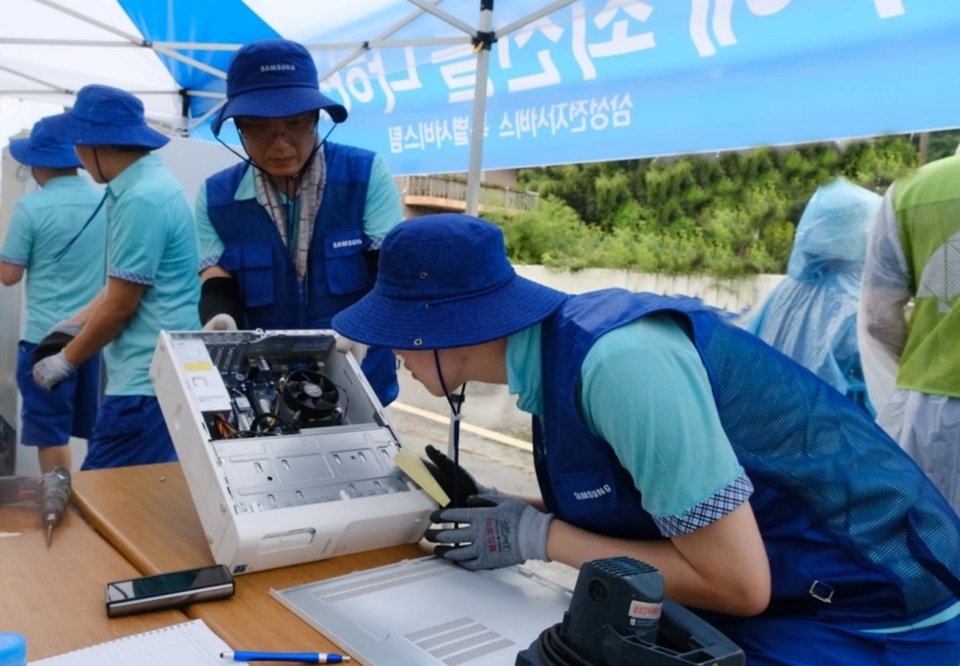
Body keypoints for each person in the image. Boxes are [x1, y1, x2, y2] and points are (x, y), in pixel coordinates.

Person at [332, 213, 960, 666]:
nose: (394, 354)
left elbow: (738, 585)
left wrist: (539, 539)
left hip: (869, 611)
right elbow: (646, 505)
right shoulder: (553, 353)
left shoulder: (619, 365)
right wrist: (516, 509)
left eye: (398, 334)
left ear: (447, 329)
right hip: (786, 586)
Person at [195, 38, 402, 407]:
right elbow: (217, 282)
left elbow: (390, 275)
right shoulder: (216, 198)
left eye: (294, 124)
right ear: (238, 128)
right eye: (258, 128)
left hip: (360, 375)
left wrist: (365, 330)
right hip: (266, 386)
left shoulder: (365, 175)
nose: (280, 144)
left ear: (317, 119)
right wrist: (219, 319)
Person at [31, 84, 201, 470]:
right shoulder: (145, 186)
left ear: (95, 144)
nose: (75, 153)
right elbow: (122, 285)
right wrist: (71, 324)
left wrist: (65, 361)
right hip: (154, 379)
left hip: (144, 385)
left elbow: (122, 306)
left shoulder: (142, 198)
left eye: (77, 142)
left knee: (102, 507)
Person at [0, 117, 106, 472]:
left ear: (38, 163)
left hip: (44, 341)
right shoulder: (104, 202)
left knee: (51, 433)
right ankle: (101, 511)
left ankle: (59, 510)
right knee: (97, 429)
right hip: (94, 335)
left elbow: (9, 276)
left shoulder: (31, 208)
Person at [860, 155, 960, 513]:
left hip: (927, 417)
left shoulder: (912, 188)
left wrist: (927, 359)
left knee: (928, 549)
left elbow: (878, 318)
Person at [745, 177, 881, 413]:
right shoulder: (853, 302)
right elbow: (874, 387)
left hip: (766, 422)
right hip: (828, 434)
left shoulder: (787, 290)